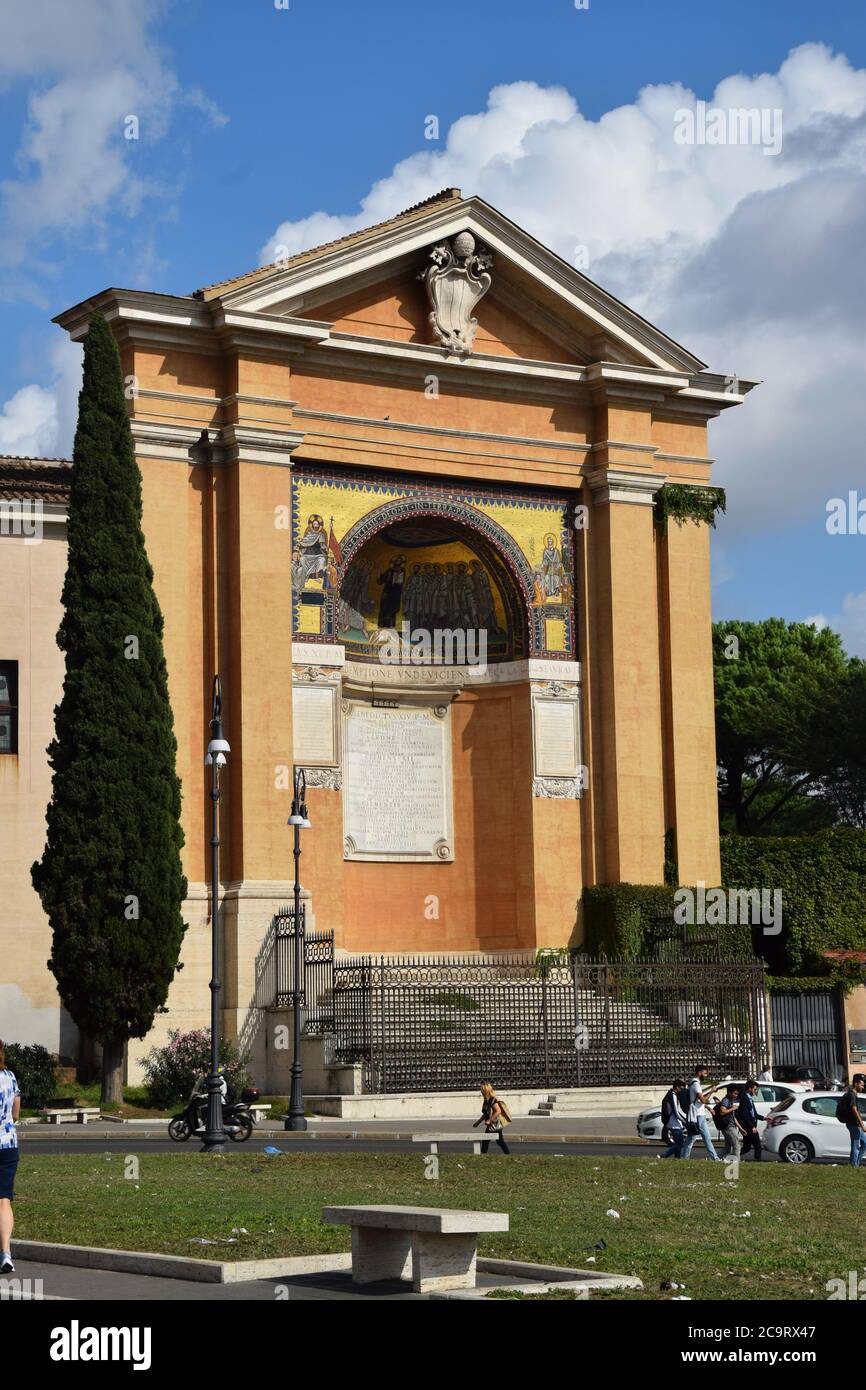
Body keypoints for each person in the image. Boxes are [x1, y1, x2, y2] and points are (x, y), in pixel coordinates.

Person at [0, 1041, 21, 1274]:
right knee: (3, 1199)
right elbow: (15, 1113)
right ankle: (6, 1252)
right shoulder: (10, 1077)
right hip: (8, 1144)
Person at [682, 1064, 721, 1160]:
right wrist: (711, 1091)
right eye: (705, 1073)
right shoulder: (696, 1084)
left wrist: (708, 1108)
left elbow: (698, 1101)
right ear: (699, 1073)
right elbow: (703, 1100)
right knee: (693, 1138)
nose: (706, 1075)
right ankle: (684, 1157)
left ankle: (714, 1158)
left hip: (700, 1114)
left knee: (702, 1138)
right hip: (697, 1115)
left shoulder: (694, 1083)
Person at [837, 1074, 866, 1167]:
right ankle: (854, 1166)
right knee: (855, 1145)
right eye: (861, 1085)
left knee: (864, 1144)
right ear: (856, 1084)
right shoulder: (851, 1094)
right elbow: (854, 1110)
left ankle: (856, 1163)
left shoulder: (853, 1094)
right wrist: (862, 1125)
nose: (863, 1087)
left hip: (856, 1124)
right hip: (853, 1124)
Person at [473, 1082, 511, 1155]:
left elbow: (498, 1111)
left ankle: (483, 1155)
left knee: (487, 1141)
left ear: (486, 1091)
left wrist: (489, 1120)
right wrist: (478, 1122)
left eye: (482, 1090)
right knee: (499, 1141)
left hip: (494, 1125)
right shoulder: (486, 1100)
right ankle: (507, 1154)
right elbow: (485, 1114)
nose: (481, 1091)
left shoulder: (492, 1100)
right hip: (491, 1125)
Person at [659, 1077, 688, 1158]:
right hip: (674, 1124)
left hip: (675, 1123)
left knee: (678, 1143)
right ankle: (664, 1155)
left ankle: (677, 1159)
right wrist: (685, 1122)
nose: (682, 1090)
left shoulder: (673, 1094)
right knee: (680, 1144)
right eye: (681, 1088)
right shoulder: (673, 1095)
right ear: (677, 1087)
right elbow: (676, 1111)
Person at [715, 1084, 744, 1160]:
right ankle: (736, 1162)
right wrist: (732, 1108)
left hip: (730, 1126)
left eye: (737, 1094)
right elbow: (722, 1112)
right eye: (735, 1093)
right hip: (729, 1127)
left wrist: (740, 1128)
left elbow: (733, 1117)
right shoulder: (726, 1100)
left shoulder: (730, 1100)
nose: (736, 1095)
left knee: (727, 1149)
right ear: (729, 1092)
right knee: (737, 1146)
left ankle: (713, 1158)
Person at [738, 1079, 763, 1162]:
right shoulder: (745, 1099)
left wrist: (763, 1118)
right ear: (749, 1089)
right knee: (757, 1145)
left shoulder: (749, 1099)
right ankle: (758, 1161)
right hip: (748, 1126)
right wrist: (752, 1127)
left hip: (750, 1125)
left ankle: (731, 1156)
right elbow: (745, 1116)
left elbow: (753, 1113)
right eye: (755, 1089)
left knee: (746, 1147)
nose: (756, 1091)